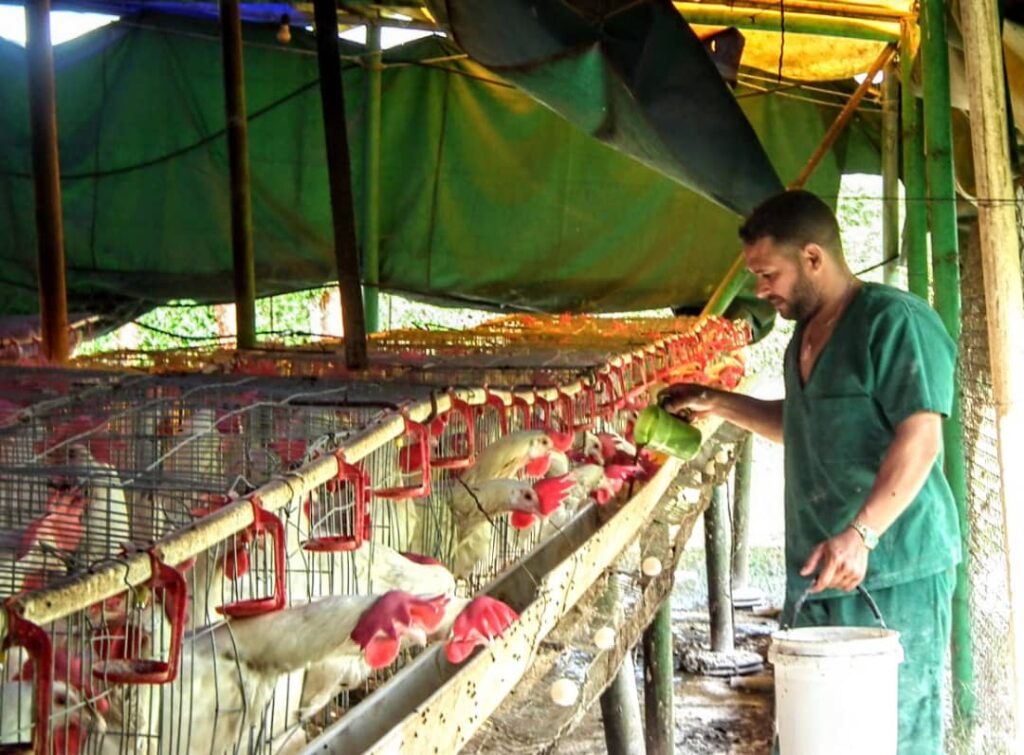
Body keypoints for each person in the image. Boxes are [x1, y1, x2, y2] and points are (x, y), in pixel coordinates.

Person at [662, 189, 960, 755]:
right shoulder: (805, 334)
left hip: (894, 568)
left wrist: (862, 533)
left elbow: (920, 438)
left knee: (892, 730)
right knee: (819, 729)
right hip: (822, 565)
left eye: (768, 274)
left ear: (814, 258)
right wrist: (720, 402)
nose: (760, 290)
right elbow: (803, 422)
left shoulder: (894, 322)